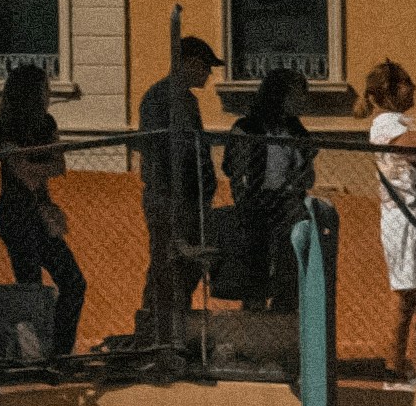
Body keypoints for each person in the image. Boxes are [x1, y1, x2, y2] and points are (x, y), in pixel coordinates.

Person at [0, 60, 87, 374]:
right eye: (45, 88)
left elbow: (57, 167)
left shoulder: (46, 121)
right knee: (31, 286)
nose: (49, 94)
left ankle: (59, 353)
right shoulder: (6, 128)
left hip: (37, 212)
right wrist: (38, 167)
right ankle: (35, 357)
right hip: (15, 215)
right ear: (31, 92)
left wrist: (34, 167)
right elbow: (26, 175)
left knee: (72, 281)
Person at [130, 34, 220, 373]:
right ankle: (155, 339)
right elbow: (158, 154)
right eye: (205, 66)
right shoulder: (159, 98)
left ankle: (172, 336)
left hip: (189, 198)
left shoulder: (185, 101)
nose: (208, 75)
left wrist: (203, 185)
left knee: (187, 266)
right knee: (167, 264)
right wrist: (174, 194)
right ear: (189, 62)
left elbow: (195, 151)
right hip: (168, 198)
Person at [360, 60, 416, 377]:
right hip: (405, 218)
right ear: (390, 89)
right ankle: (395, 363)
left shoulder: (403, 122)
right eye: (407, 82)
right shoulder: (387, 123)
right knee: (406, 295)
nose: (413, 87)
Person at [229, 67, 323, 346]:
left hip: (288, 203)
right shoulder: (248, 126)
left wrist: (305, 161)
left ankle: (283, 334)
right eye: (297, 94)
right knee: (254, 266)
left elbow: (307, 174)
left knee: (289, 264)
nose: (302, 101)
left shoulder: (297, 131)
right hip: (256, 202)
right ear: (279, 95)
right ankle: (252, 338)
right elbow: (233, 165)